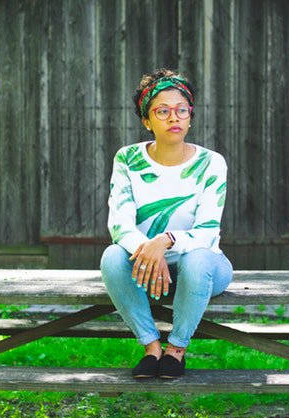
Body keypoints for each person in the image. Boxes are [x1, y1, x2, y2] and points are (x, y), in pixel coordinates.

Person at [100, 68, 233, 379]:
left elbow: (207, 230)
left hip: (205, 266)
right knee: (111, 256)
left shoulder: (211, 163)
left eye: (181, 110)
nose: (174, 118)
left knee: (197, 258)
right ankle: (151, 347)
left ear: (190, 117)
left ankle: (176, 350)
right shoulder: (128, 159)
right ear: (146, 120)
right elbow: (119, 223)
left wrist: (165, 241)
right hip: (145, 267)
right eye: (162, 111)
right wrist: (150, 252)